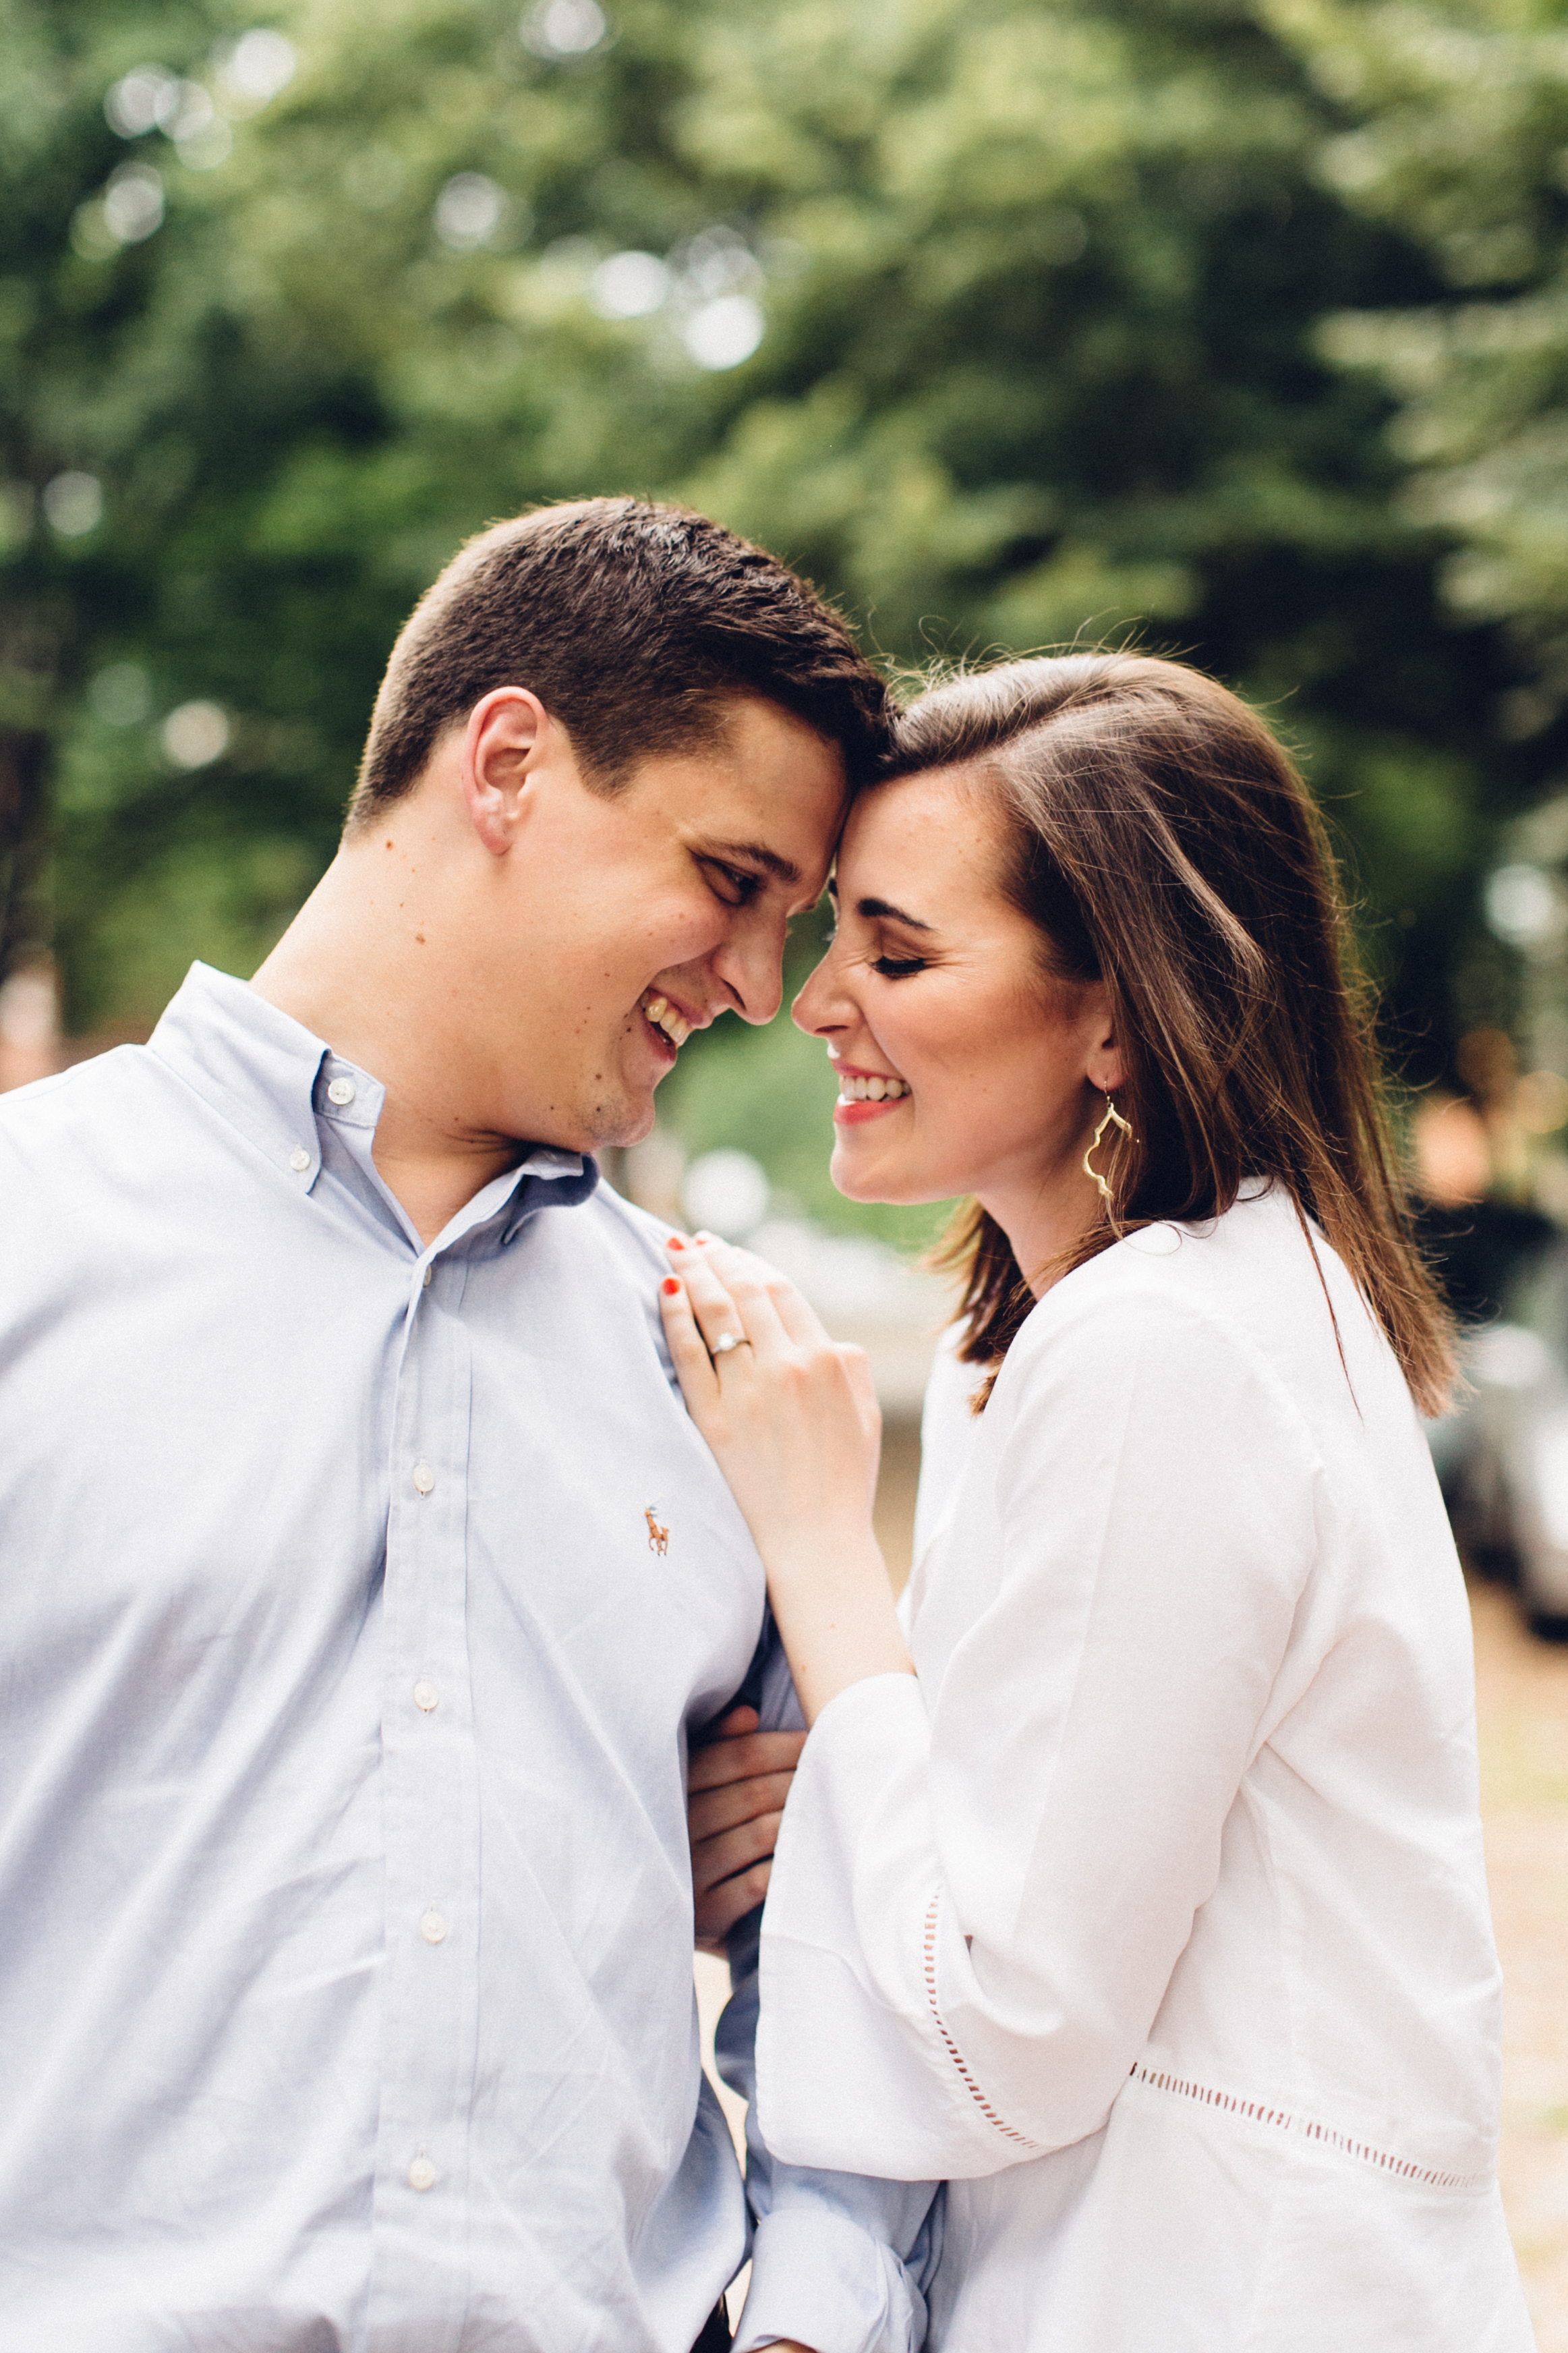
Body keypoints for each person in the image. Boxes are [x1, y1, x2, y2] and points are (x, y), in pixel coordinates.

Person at [0, 499, 939, 2352]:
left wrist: (813, 2319)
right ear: (505, 762)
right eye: (732, 879)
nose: (758, 986)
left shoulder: (724, 1362)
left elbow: (827, 1988)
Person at [660, 654, 1536, 2350]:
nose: (815, 996)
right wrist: (830, 1809)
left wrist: (819, 1545)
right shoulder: (1177, 1312)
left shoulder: (1165, 1346)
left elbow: (1000, 2025)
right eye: (837, 926)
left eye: (896, 948)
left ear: (1119, 1008)